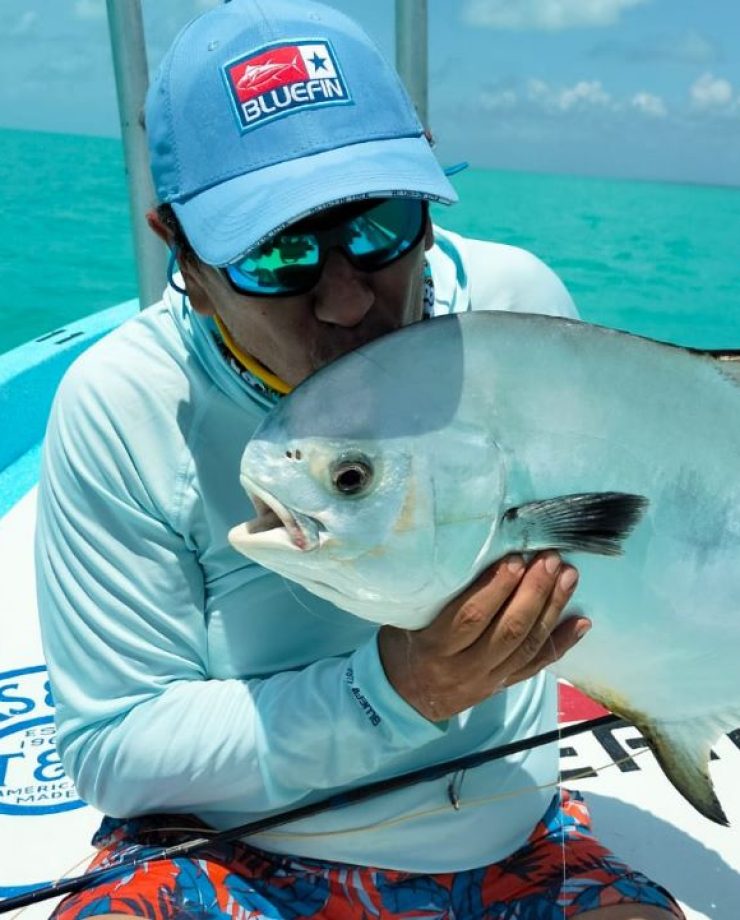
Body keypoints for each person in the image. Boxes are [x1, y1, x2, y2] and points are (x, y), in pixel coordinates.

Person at [35, 1, 683, 918]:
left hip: (513, 832)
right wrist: (397, 689)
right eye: (279, 252)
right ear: (180, 246)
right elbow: (114, 743)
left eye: (380, 226)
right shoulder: (129, 405)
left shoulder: (512, 312)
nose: (346, 302)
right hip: (234, 848)